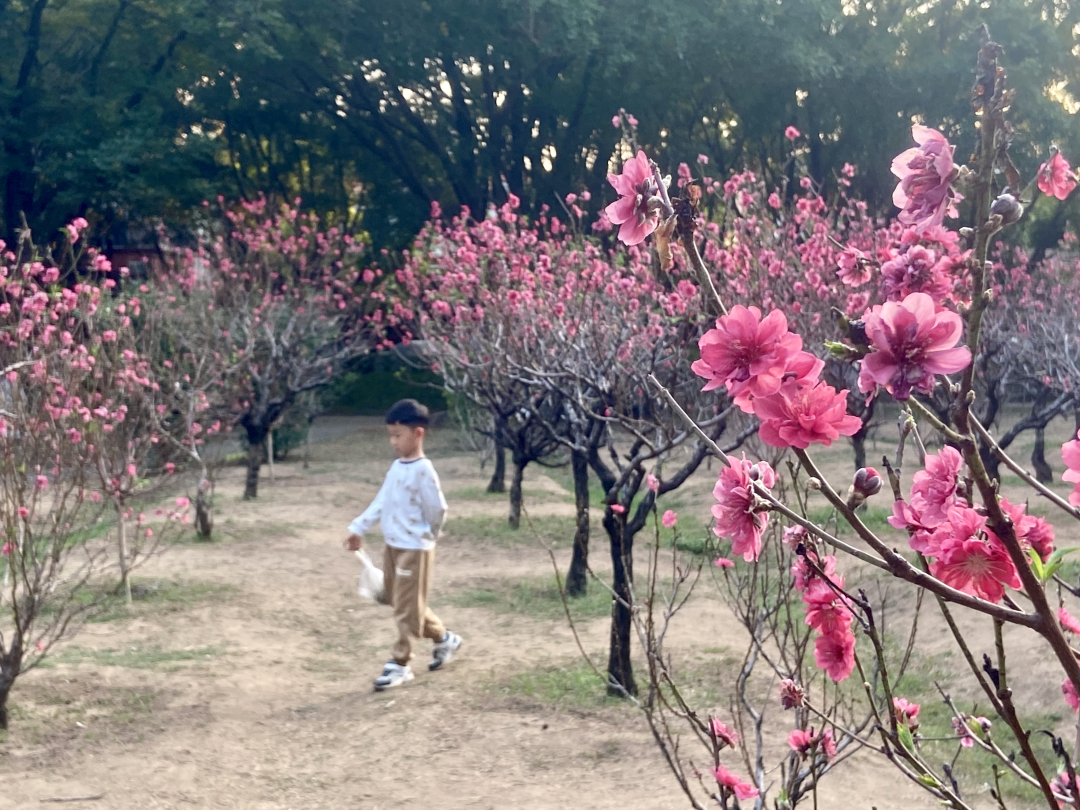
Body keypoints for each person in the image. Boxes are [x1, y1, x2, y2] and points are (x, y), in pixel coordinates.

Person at [344, 399, 462, 690]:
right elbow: (381, 501)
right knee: (400, 601)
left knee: (405, 608)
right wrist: (358, 527)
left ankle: (400, 662)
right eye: (391, 435)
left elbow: (438, 509)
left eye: (399, 435)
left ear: (418, 433)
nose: (393, 441)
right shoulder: (397, 467)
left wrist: (430, 535)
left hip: (415, 549)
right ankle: (445, 638)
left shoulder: (424, 470)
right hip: (393, 546)